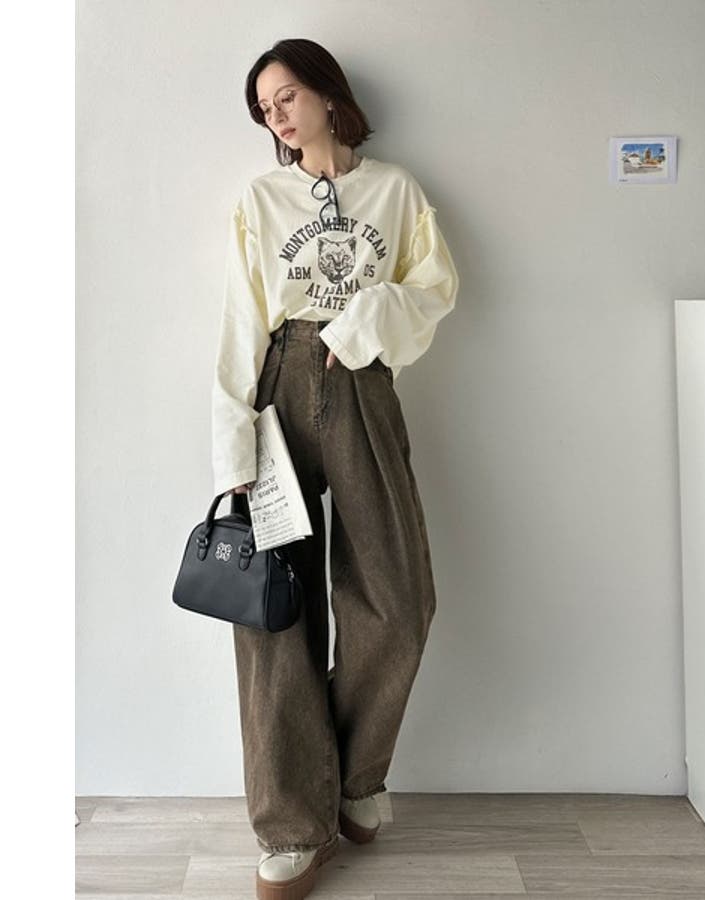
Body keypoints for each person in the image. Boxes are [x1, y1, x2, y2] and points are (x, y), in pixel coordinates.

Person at [210, 38, 459, 900]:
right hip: (279, 384)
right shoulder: (261, 198)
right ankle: (290, 825)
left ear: (326, 93)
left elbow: (435, 287)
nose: (275, 115)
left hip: (362, 384)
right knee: (272, 611)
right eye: (263, 108)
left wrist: (363, 322)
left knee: (398, 598)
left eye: (285, 96)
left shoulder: (395, 190)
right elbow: (241, 318)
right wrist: (234, 443)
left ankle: (352, 779)